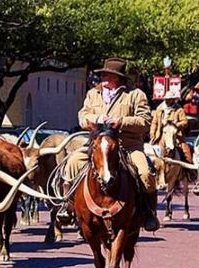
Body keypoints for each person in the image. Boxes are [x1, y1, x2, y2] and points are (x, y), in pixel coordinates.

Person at [60, 57, 160, 232]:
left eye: (107, 75)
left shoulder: (136, 95)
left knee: (145, 174)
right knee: (72, 163)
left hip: (127, 146)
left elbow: (145, 121)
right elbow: (82, 116)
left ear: (118, 78)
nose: (103, 78)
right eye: (103, 74)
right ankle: (67, 206)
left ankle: (148, 213)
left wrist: (121, 121)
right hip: (98, 145)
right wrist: (95, 119)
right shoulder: (93, 94)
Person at [149, 86, 191, 160]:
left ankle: (189, 169)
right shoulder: (159, 109)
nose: (167, 101)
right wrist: (152, 133)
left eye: (169, 99)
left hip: (175, 136)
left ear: (173, 100)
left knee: (186, 152)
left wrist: (176, 124)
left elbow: (185, 122)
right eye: (166, 99)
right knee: (148, 152)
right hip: (160, 135)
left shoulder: (179, 110)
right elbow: (154, 122)